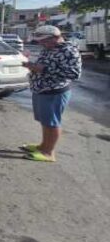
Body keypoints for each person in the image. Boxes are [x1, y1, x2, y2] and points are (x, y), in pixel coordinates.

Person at [20, 25, 81, 162]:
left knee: (52, 123)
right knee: (45, 121)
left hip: (54, 92)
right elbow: (44, 65)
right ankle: (43, 146)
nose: (41, 43)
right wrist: (29, 64)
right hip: (42, 90)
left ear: (55, 37)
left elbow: (74, 74)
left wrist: (42, 69)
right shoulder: (49, 48)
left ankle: (48, 152)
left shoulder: (69, 51)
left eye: (43, 40)